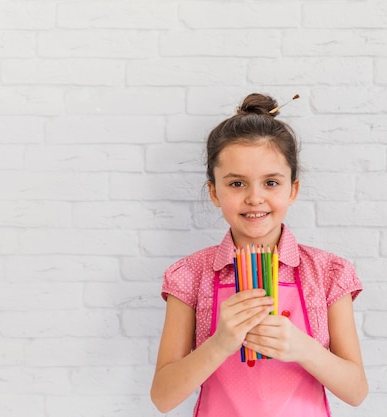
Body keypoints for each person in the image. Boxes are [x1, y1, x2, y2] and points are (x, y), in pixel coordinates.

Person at [150, 93, 368, 416]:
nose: (255, 198)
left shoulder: (328, 273)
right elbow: (162, 397)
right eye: (237, 183)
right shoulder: (190, 275)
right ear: (213, 192)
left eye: (271, 182)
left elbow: (356, 391)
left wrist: (303, 348)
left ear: (292, 189)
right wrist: (220, 343)